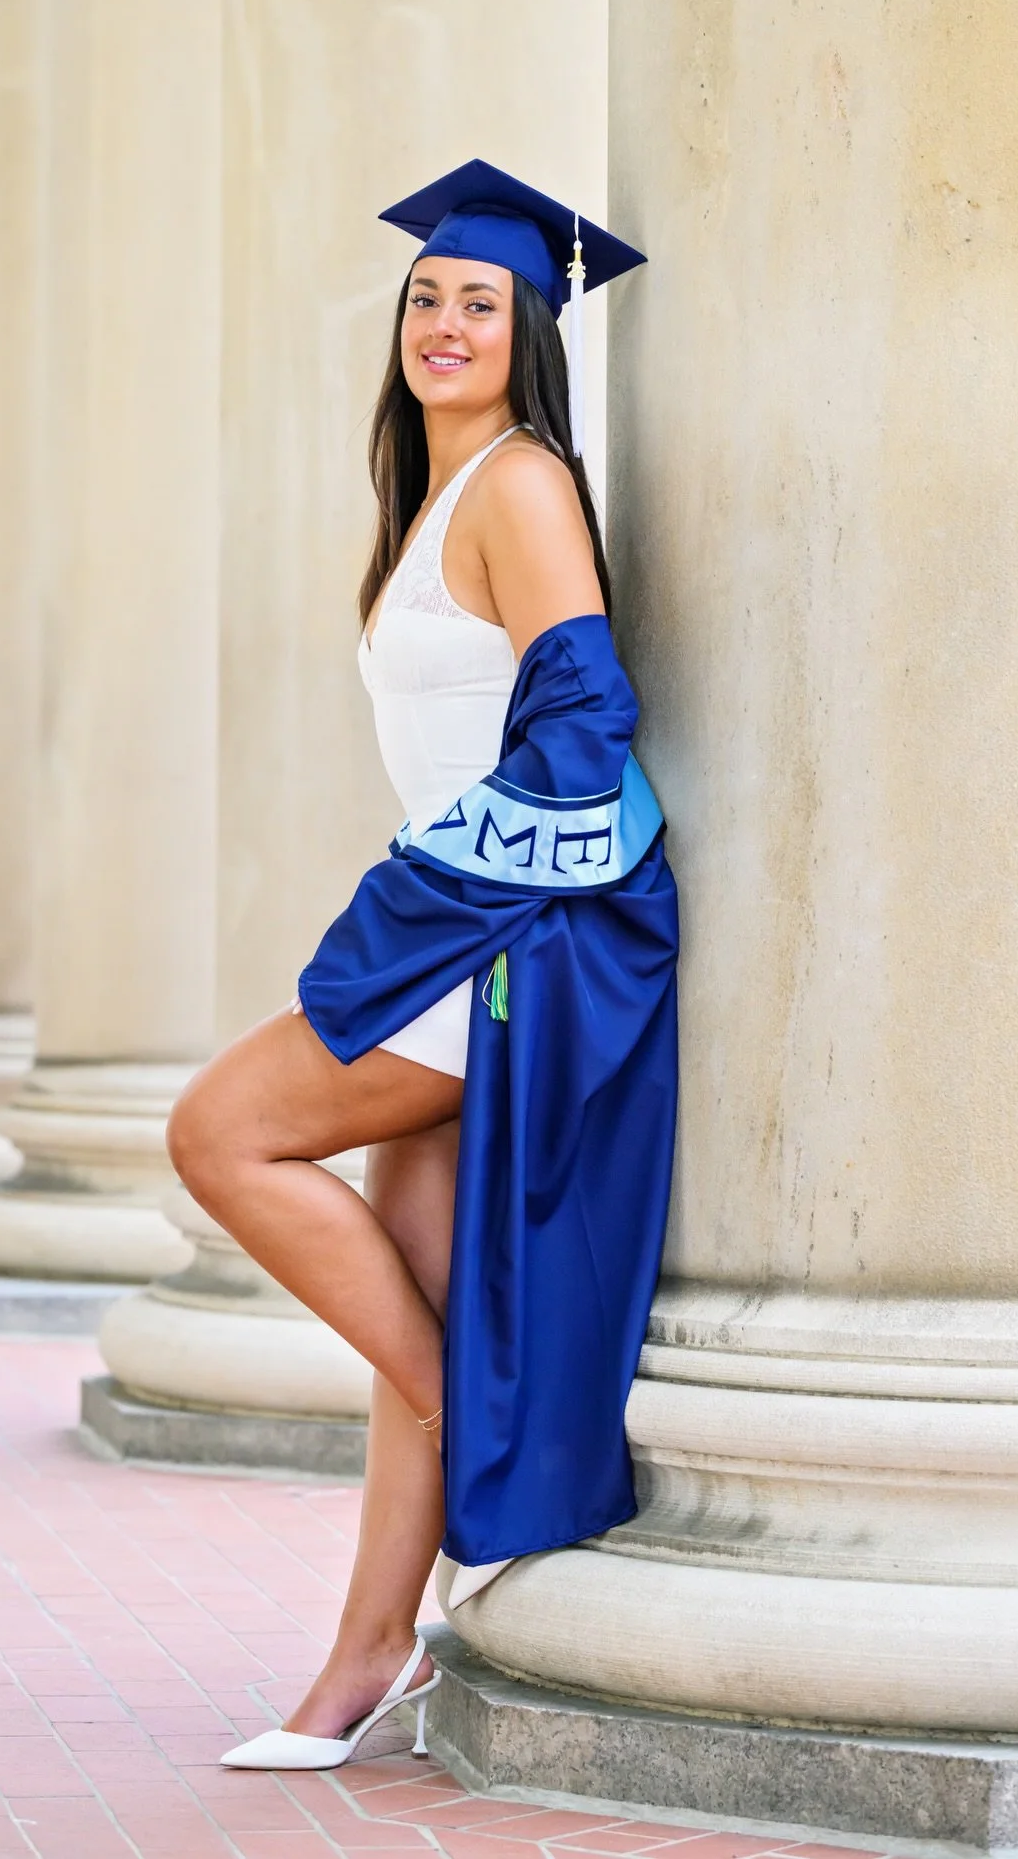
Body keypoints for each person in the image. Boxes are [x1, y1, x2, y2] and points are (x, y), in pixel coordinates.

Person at [166, 159, 679, 1773]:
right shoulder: (431, 500)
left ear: (531, 333)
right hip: (468, 928)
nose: (445, 323)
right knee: (415, 1281)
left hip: (507, 942)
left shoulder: (523, 484)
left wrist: (433, 895)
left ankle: (467, 1409)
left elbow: (588, 731)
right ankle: (361, 1662)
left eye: (480, 303)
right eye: (426, 300)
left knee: (220, 1130)